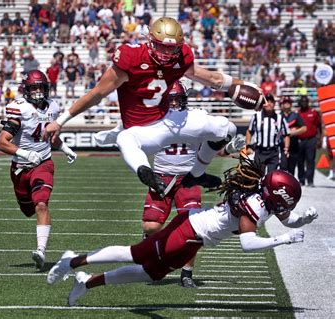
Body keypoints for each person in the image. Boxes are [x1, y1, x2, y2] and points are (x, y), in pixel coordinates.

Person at [46, 158, 318, 306]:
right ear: (276, 195)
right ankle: (72, 260)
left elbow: (288, 219)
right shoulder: (256, 204)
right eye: (288, 201)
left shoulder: (267, 200)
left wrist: (302, 221)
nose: (289, 207)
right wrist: (284, 240)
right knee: (137, 254)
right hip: (190, 228)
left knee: (150, 272)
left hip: (196, 239)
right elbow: (247, 244)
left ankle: (86, 282)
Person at [43, 17, 261, 197]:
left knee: (227, 128)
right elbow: (98, 93)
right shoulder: (131, 57)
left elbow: (210, 78)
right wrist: (60, 121)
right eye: (161, 47)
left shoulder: (182, 55)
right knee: (125, 139)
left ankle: (196, 174)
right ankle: (146, 173)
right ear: (150, 40)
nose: (166, 54)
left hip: (168, 118)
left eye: (172, 49)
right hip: (142, 130)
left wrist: (243, 86)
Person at [95, 81, 246, 288]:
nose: (174, 104)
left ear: (184, 100)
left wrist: (228, 147)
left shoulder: (196, 118)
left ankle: (187, 273)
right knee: (151, 226)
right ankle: (156, 247)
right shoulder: (154, 118)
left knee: (194, 230)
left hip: (188, 178)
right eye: (170, 99)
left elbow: (214, 144)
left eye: (177, 99)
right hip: (161, 177)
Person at [0, 70, 78, 271]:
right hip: (20, 168)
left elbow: (51, 136)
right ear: (26, 89)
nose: (39, 91)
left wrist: (64, 148)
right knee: (27, 210)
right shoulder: (19, 109)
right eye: (34, 88)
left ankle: (40, 250)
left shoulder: (53, 107)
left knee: (41, 204)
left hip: (43, 164)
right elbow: (2, 142)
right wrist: (25, 154)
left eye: (41, 87)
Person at [245, 94, 290, 173]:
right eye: (266, 101)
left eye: (271, 102)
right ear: (263, 104)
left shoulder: (280, 118)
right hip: (260, 151)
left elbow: (286, 134)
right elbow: (249, 131)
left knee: (272, 176)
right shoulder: (256, 117)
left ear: (274, 104)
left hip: (274, 152)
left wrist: (286, 148)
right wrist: (248, 146)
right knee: (257, 175)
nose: (269, 103)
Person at [296, 95, 322, 187]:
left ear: (308, 102)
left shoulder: (314, 112)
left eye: (305, 101)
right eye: (302, 101)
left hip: (311, 140)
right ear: (300, 103)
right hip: (300, 140)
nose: (304, 103)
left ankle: (310, 180)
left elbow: (319, 126)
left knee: (310, 160)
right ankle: (301, 180)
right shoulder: (297, 113)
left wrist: (319, 139)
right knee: (300, 161)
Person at [280, 96, 307, 175]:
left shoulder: (296, 116)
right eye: (285, 102)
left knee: (292, 168)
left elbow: (304, 128)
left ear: (291, 104)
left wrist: (292, 133)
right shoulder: (278, 116)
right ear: (281, 104)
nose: (287, 104)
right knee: (283, 167)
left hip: (294, 146)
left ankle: (291, 185)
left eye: (289, 102)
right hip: (282, 146)